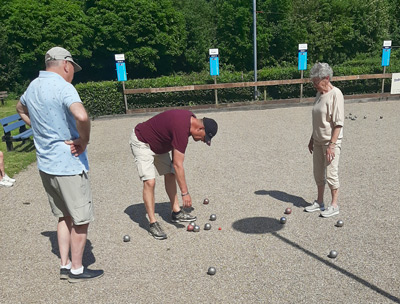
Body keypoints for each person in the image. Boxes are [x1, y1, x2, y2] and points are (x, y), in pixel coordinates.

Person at [16, 47, 103, 282]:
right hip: (68, 164)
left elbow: (19, 108)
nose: (72, 72)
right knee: (81, 218)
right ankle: (77, 269)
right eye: (72, 68)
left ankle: (65, 264)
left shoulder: (33, 86)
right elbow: (82, 116)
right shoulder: (64, 87)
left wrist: (38, 128)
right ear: (66, 64)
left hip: (46, 164)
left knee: (64, 215)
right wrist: (83, 140)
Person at [129, 109, 218, 240]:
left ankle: (176, 212)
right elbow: (178, 164)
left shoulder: (189, 120)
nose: (202, 141)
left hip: (159, 145)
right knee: (150, 181)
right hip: (142, 142)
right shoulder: (182, 127)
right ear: (200, 128)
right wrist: (185, 193)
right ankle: (153, 223)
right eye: (205, 138)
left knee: (170, 173)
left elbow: (175, 162)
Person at [304, 62, 344, 218]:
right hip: (318, 140)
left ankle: (334, 205)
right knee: (318, 173)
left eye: (316, 82)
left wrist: (332, 146)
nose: (314, 85)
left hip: (330, 142)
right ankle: (319, 201)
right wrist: (312, 138)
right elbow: (318, 120)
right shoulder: (319, 94)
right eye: (313, 82)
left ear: (326, 78)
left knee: (331, 174)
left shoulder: (336, 94)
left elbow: (338, 123)